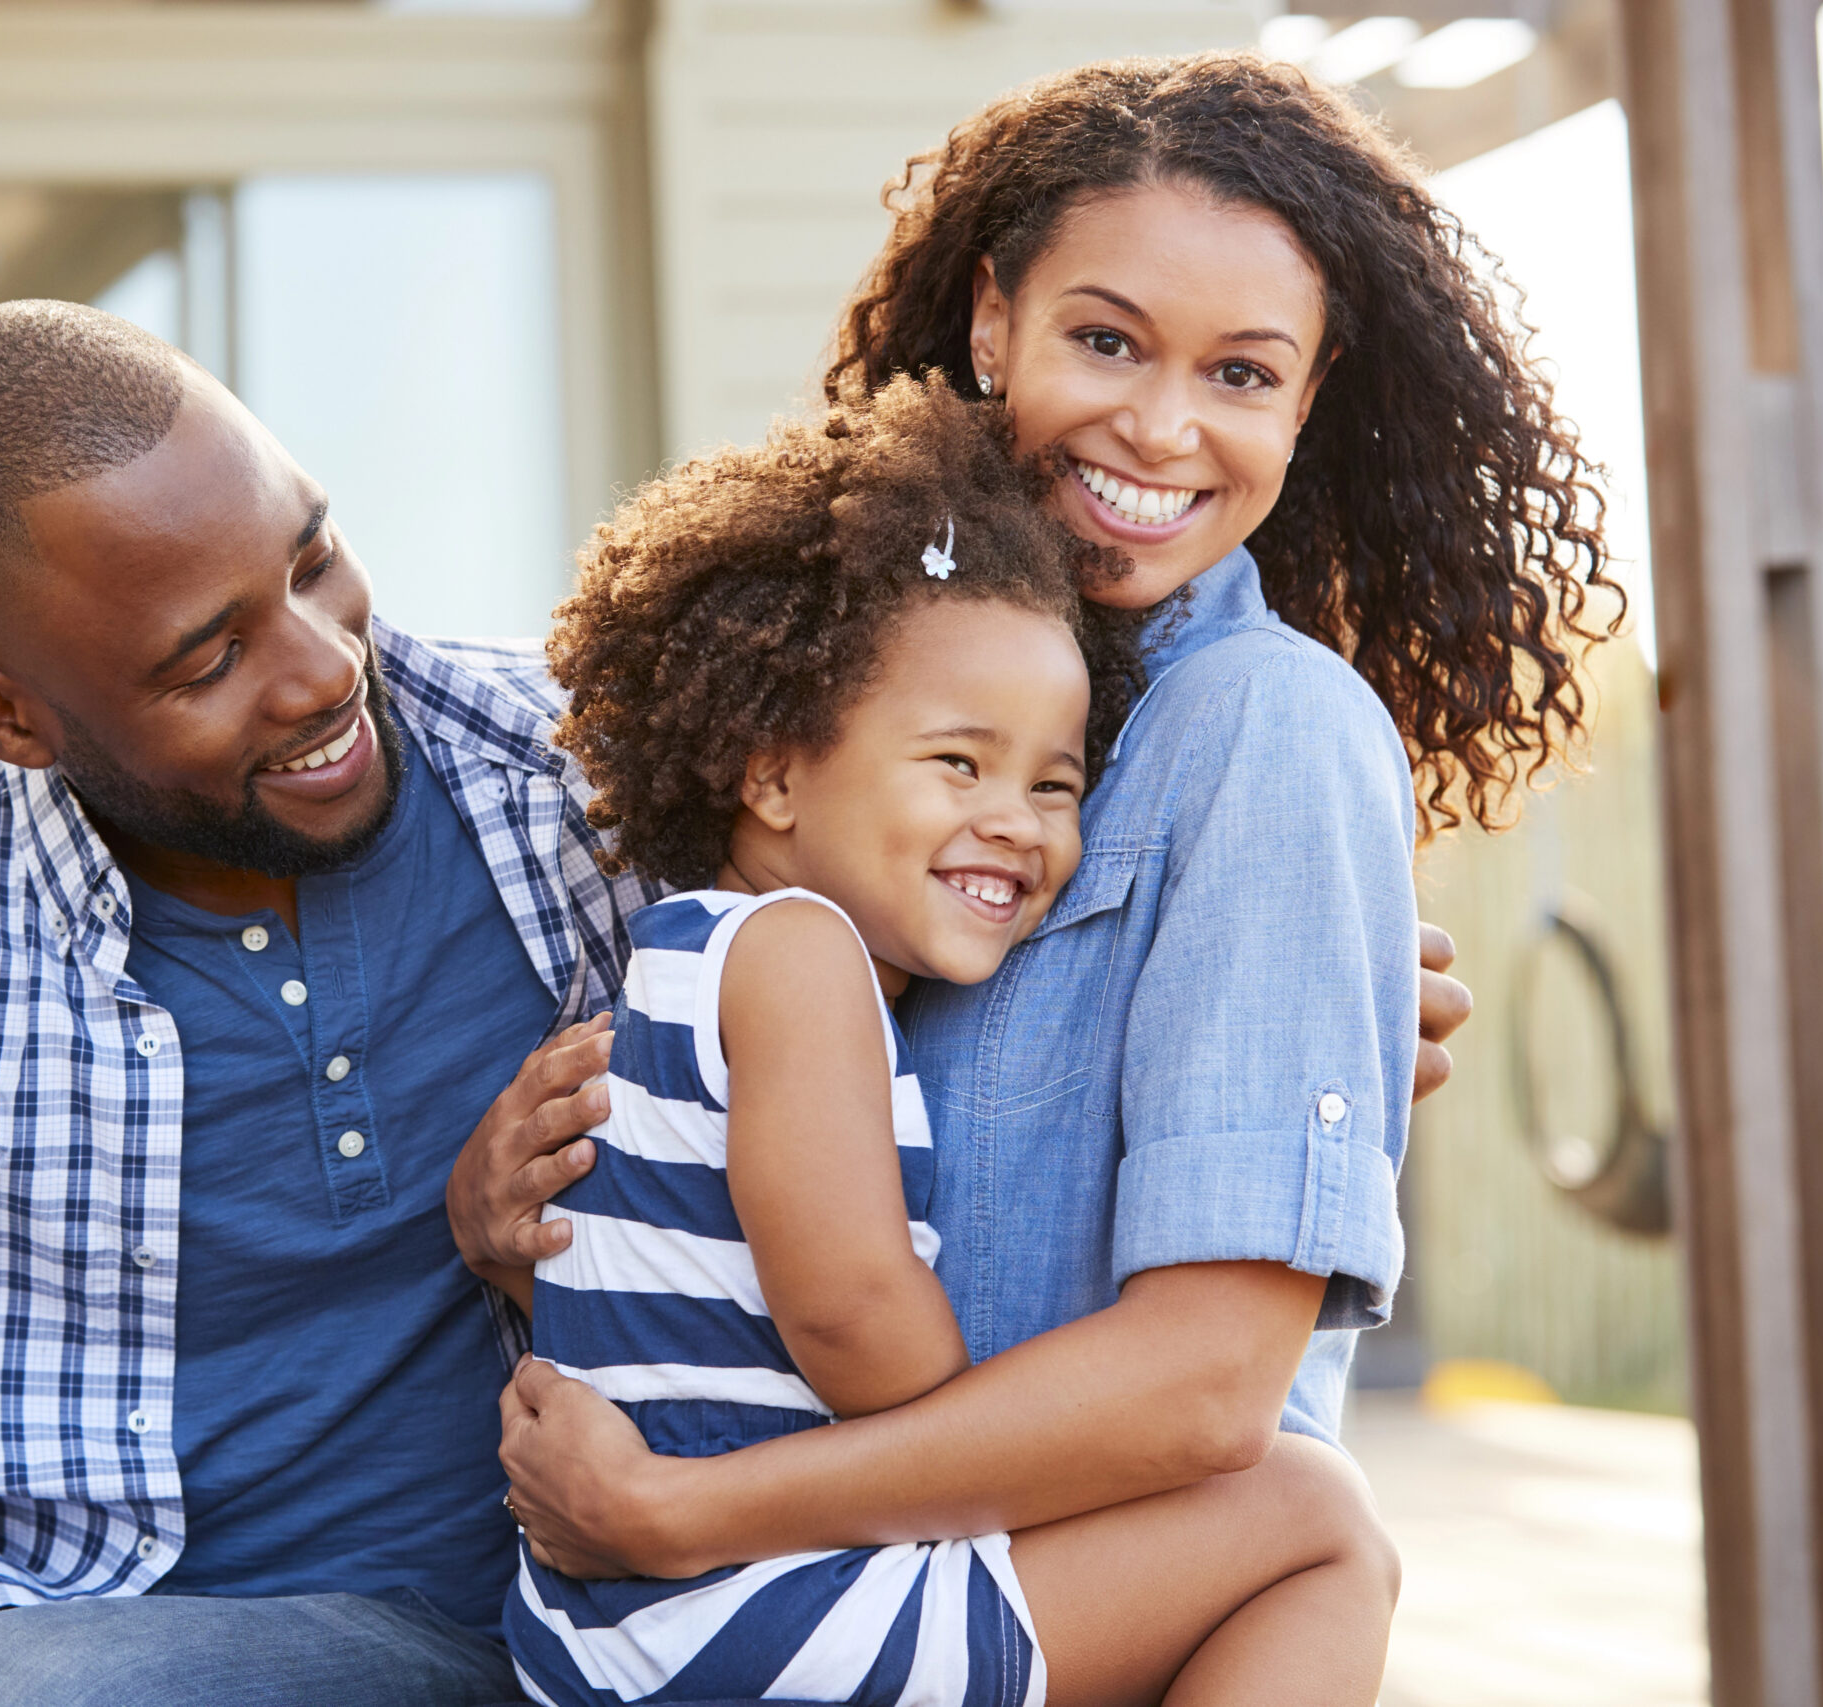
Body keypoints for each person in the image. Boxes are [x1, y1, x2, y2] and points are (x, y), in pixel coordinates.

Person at [0, 298, 1464, 1707]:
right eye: (204, 657)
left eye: (315, 560)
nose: (314, 668)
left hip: (446, 1617)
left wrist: (1285, 1006)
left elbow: (928, 903)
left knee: (14, 1695)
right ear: (8, 712)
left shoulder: (576, 779)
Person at [466, 55, 1608, 1701]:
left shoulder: (1269, 732)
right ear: (994, 321)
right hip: (825, 1609)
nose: (1160, 423)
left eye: (1242, 370)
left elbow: (1207, 1396)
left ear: (1310, 396)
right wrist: (501, 1207)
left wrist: (688, 1514)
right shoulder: (847, 704)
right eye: (1104, 338)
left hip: (949, 1592)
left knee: (1316, 1519)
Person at [507, 376, 1396, 1707]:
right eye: (958, 765)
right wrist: (981, 1410)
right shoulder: (799, 961)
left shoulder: (681, 965)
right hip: (745, 1616)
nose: (1019, 821)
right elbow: (851, 1310)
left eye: (1055, 782)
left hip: (621, 1620)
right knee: (1314, 1519)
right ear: (776, 772)